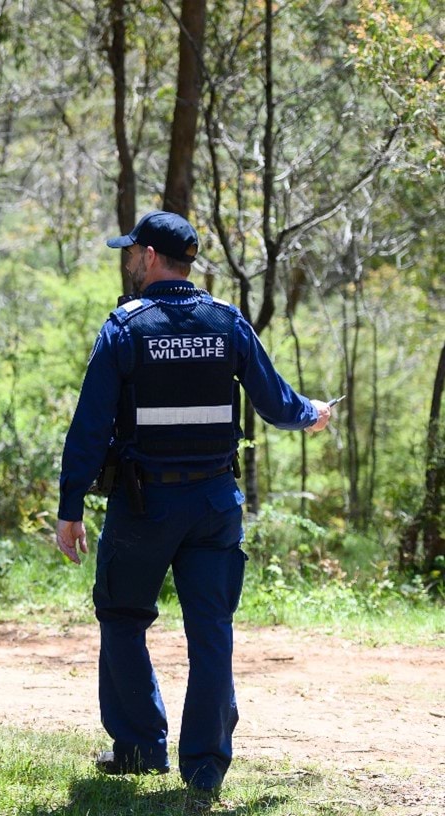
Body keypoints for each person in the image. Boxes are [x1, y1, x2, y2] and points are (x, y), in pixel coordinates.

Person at [55, 211, 332, 797]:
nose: (129, 260)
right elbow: (277, 402)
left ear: (151, 257)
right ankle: (204, 767)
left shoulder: (125, 328)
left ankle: (137, 748)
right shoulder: (227, 323)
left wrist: (70, 507)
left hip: (144, 506)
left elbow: (87, 429)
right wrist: (312, 413)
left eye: (133, 252)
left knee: (124, 617)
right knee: (211, 631)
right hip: (213, 501)